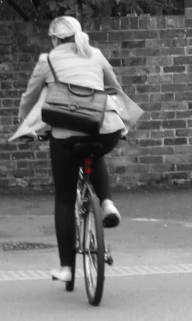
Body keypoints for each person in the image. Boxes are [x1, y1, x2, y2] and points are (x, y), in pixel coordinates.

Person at [17, 16, 128, 284]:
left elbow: (29, 98)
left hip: (65, 137)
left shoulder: (48, 60)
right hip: (106, 129)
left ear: (55, 39)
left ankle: (66, 266)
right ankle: (108, 203)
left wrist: (26, 125)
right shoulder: (96, 54)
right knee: (94, 150)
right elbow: (115, 89)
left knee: (65, 199)